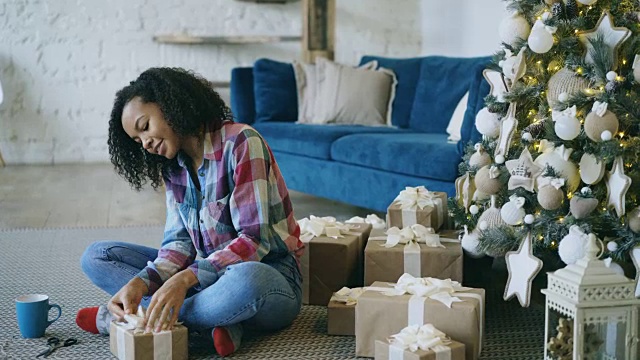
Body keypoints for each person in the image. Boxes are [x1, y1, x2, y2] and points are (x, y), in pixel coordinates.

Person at [75, 67, 304, 356]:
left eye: (145, 126)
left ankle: (126, 320)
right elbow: (178, 247)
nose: (145, 143)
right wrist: (141, 283)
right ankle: (216, 324)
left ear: (170, 104)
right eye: (137, 140)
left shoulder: (242, 142)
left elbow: (254, 242)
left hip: (271, 276)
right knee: (96, 256)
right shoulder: (172, 167)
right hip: (209, 276)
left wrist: (182, 281)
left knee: (247, 280)